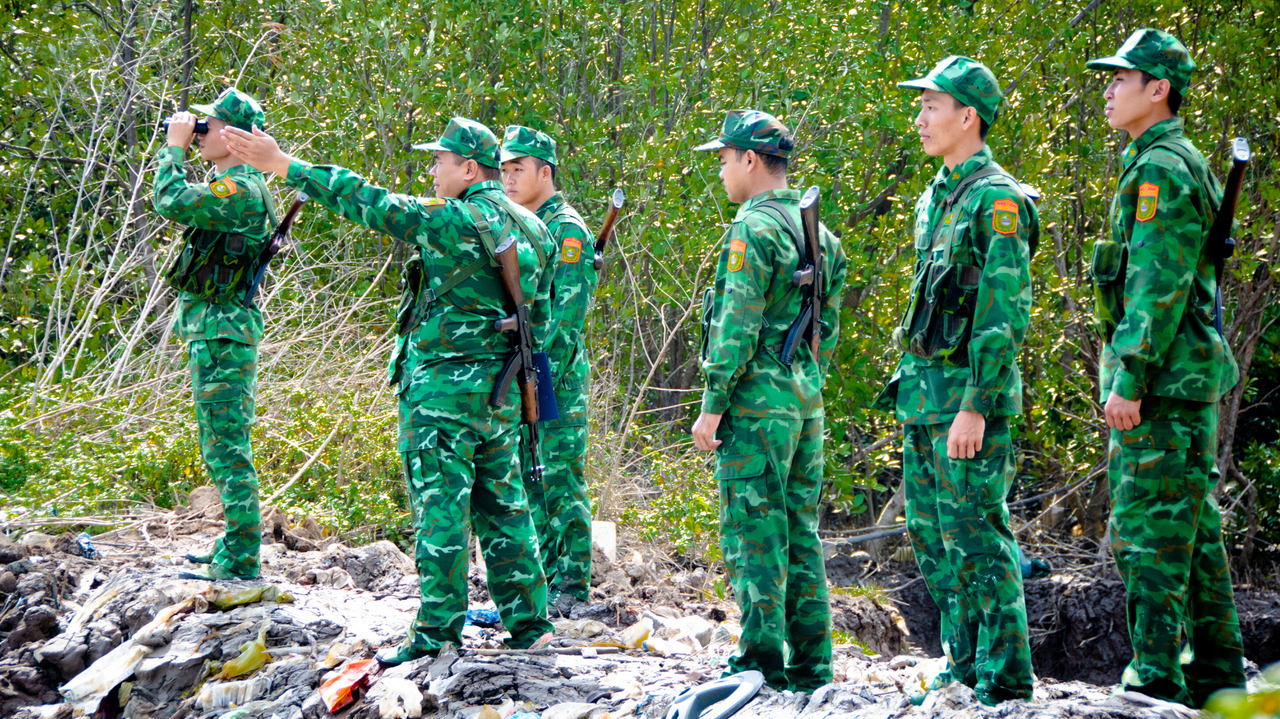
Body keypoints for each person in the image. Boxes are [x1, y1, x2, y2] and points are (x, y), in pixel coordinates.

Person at [220, 116, 556, 663]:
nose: (431, 170)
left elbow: (368, 200)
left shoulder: (450, 219)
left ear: (468, 168)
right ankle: (530, 624)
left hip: (442, 397)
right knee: (505, 507)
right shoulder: (533, 227)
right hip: (499, 395)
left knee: (441, 511)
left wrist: (285, 166)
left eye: (439, 161)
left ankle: (437, 634)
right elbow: (537, 313)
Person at [869, 56, 1039, 704]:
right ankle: (963, 662)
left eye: (931, 106)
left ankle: (1006, 677)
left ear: (968, 116)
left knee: (976, 535)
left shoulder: (998, 200)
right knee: (933, 537)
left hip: (967, 402)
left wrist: (977, 404)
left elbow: (1002, 314)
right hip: (923, 397)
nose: (920, 118)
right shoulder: (935, 197)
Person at [1086, 28, 1245, 707]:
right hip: (1178, 380)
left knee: (1149, 531)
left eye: (1124, 78)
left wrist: (1129, 375)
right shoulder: (1156, 159)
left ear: (1160, 89)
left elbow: (1157, 281)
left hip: (1161, 383)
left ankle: (1153, 674)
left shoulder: (1162, 167)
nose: (1110, 88)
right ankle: (1215, 673)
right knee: (1194, 534)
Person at [690, 109, 847, 692]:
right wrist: (803, 381)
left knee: (754, 532)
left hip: (755, 405)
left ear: (750, 160)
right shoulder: (818, 233)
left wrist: (713, 403)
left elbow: (737, 323)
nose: (723, 172)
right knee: (799, 531)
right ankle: (812, 667)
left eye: (726, 159)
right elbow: (823, 330)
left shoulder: (753, 229)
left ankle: (761, 663)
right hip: (804, 403)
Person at [155, 88, 272, 582]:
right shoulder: (234, 184)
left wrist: (174, 148)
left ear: (237, 137)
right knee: (219, 443)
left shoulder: (242, 189)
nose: (201, 133)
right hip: (216, 330)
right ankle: (233, 542)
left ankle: (243, 559)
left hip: (223, 332)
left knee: (226, 447)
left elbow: (170, 200)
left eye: (211, 126)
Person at [500, 125, 596, 615]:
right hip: (523, 373)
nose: (509, 179)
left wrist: (536, 373)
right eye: (504, 170)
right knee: (529, 477)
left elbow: (565, 318)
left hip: (552, 374)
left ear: (545, 172)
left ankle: (572, 585)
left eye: (519, 170)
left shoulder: (567, 230)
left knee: (559, 479)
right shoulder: (519, 222)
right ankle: (541, 582)